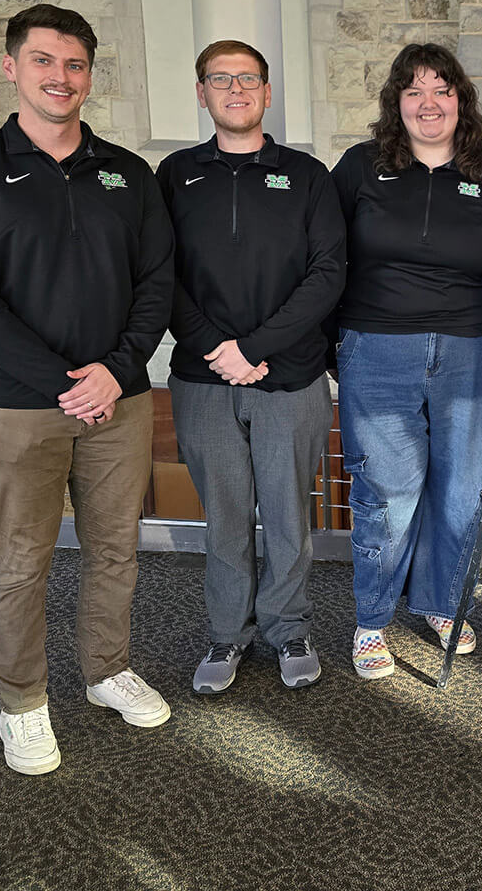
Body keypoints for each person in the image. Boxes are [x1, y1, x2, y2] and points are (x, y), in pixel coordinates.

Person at [0, 4, 174, 774]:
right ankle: (22, 702)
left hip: (119, 400)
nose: (59, 78)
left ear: (89, 76)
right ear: (12, 67)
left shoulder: (126, 172)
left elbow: (157, 281)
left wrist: (118, 368)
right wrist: (66, 383)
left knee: (113, 548)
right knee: (20, 559)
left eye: (73, 65)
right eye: (43, 61)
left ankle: (105, 671)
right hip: (19, 406)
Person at [157, 40, 346, 694]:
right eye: (220, 78)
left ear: (267, 93)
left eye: (248, 79)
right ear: (202, 93)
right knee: (226, 516)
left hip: (289, 377)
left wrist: (257, 347)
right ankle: (226, 635)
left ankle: (289, 628)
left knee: (290, 513)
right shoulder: (175, 175)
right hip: (203, 378)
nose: (235, 89)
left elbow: (327, 274)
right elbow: (161, 275)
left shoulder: (306, 174)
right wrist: (219, 348)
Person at [330, 44, 482, 679]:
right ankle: (371, 618)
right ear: (395, 104)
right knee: (387, 492)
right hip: (377, 347)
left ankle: (438, 603)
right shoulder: (358, 168)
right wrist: (328, 345)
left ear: (462, 101)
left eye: (442, 91)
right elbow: (323, 260)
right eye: (414, 92)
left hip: (472, 347)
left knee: (461, 492)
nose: (429, 105)